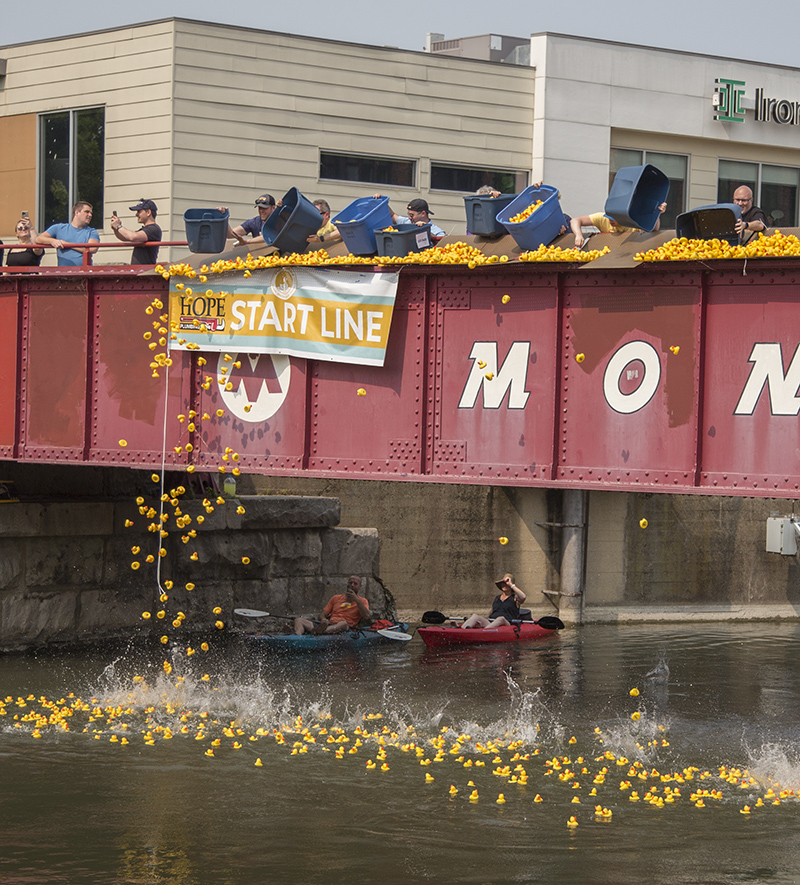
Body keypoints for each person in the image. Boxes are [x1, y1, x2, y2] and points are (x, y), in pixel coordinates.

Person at [294, 575, 371, 635]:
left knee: (343, 624)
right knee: (298, 620)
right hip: (328, 624)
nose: (352, 585)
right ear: (347, 584)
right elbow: (322, 615)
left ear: (360, 586)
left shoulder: (363, 601)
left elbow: (366, 616)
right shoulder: (336, 598)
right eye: (350, 583)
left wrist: (356, 600)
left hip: (345, 628)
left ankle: (319, 632)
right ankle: (297, 636)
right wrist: (323, 619)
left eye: (355, 584)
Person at [571, 202, 667, 248]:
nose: (610, 221)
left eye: (614, 219)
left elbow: (654, 229)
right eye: (608, 217)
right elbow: (575, 221)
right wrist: (578, 235)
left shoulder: (632, 221)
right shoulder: (601, 218)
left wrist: (657, 214)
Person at [36, 201, 100, 267]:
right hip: (64, 274)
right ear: (77, 212)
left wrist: (66, 244)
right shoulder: (59, 228)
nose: (90, 215)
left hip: (84, 274)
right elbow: (38, 239)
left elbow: (93, 249)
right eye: (87, 212)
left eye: (91, 213)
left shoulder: (92, 232)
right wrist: (53, 241)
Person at [460, 574, 527, 629]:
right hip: (492, 623)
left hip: (507, 624)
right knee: (475, 616)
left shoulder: (515, 598)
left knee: (501, 619)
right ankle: (462, 629)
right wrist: (478, 619)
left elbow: (523, 597)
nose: (504, 585)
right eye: (503, 583)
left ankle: (483, 631)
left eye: (506, 583)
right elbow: (489, 615)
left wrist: (511, 584)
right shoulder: (497, 598)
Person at [110, 199, 162, 264]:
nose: (136, 214)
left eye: (139, 211)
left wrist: (118, 226)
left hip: (145, 272)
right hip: (140, 271)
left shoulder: (154, 229)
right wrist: (115, 229)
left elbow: (132, 237)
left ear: (148, 212)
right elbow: (125, 237)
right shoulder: (146, 230)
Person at [377, 196, 446, 241]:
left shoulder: (437, 231)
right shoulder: (407, 222)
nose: (409, 217)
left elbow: (441, 243)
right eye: (409, 214)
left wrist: (425, 229)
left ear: (423, 214)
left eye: (412, 215)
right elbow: (392, 216)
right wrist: (381, 201)